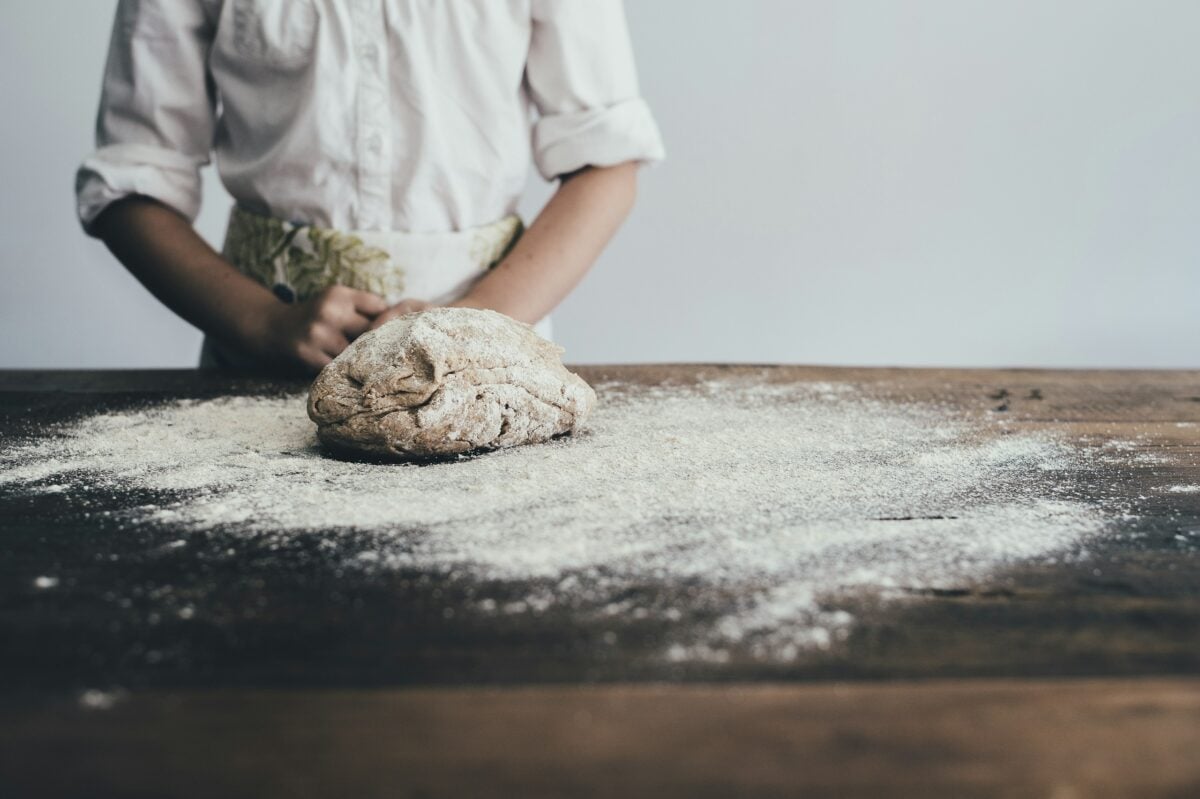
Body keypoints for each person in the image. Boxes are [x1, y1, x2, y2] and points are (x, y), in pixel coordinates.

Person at [76, 0, 664, 373]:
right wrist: (261, 324)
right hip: (261, 365)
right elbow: (131, 183)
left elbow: (605, 163)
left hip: (489, 362)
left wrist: (473, 324)